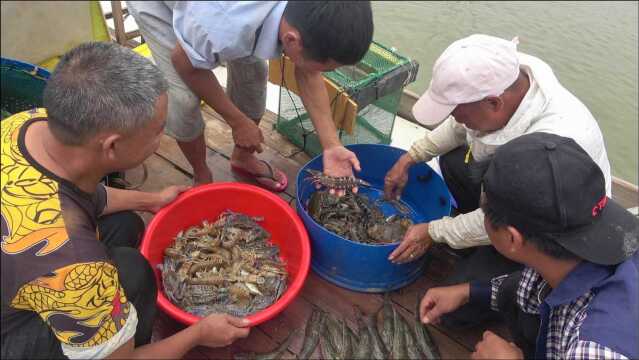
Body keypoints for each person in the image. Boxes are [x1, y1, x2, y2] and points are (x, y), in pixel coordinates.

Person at [1, 42, 250, 359]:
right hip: (9, 336)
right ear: (112, 147)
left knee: (125, 223)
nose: (163, 138)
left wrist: (150, 200)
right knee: (133, 273)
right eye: (158, 131)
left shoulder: (27, 126)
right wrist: (198, 334)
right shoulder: (76, 265)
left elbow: (69, 194)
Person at [384, 34, 612, 326]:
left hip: (547, 241)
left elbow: (512, 218)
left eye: (458, 111)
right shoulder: (504, 88)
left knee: (449, 313)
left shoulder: (551, 143)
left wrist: (433, 230)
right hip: (513, 209)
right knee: (453, 161)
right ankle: (475, 244)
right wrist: (410, 158)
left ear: (493, 103)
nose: (456, 119)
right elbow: (458, 126)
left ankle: (493, 255)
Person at [419, 133, 638, 359]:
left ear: (512, 239)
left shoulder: (597, 347)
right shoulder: (574, 249)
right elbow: (528, 283)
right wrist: (469, 293)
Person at [127, 1, 374, 192]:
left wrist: (331, 145)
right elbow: (185, 63)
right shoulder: (222, 26)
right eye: (326, 68)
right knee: (184, 99)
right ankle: (201, 173)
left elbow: (308, 73)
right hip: (161, 6)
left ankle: (242, 158)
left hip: (225, 15)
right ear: (291, 39)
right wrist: (237, 121)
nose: (323, 74)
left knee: (255, 72)